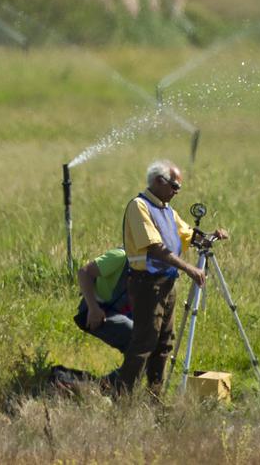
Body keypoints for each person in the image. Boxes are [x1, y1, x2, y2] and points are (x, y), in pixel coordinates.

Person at [115, 158, 228, 397]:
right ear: (158, 181)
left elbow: (188, 234)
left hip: (167, 284)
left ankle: (154, 397)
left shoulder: (167, 211)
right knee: (145, 342)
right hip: (147, 284)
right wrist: (189, 268)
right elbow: (155, 247)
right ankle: (123, 399)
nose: (176, 192)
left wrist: (209, 237)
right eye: (174, 186)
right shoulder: (140, 206)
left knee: (164, 343)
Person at [74, 246, 133, 369]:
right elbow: (84, 272)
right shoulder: (120, 256)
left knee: (147, 337)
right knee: (135, 335)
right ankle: (119, 382)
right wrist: (93, 308)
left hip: (119, 311)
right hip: (98, 311)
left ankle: (121, 381)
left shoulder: (153, 264)